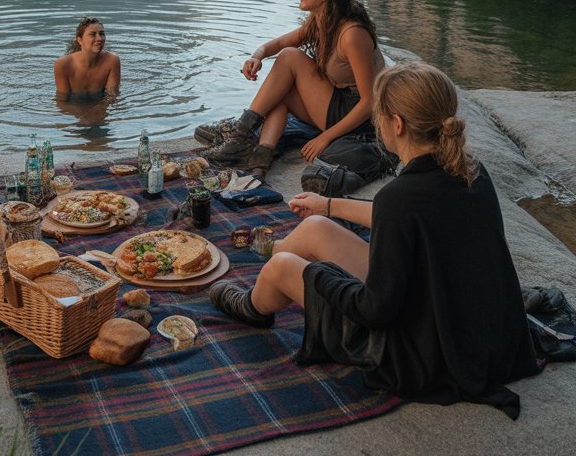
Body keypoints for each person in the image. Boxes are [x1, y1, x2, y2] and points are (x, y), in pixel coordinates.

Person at [210, 61, 541, 418]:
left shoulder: (401, 197)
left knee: (284, 267)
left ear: (396, 125)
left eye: (379, 115)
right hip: (459, 315)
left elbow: (375, 309)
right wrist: (330, 205)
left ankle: (254, 305)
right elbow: (407, 218)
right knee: (316, 228)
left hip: (423, 348)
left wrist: (321, 278)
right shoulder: (469, 171)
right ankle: (267, 270)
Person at [201, 0, 386, 179]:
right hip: (336, 105)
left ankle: (239, 139)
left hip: (357, 117)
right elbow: (276, 44)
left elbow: (370, 102)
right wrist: (256, 56)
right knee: (280, 90)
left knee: (290, 57)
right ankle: (261, 157)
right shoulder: (322, 21)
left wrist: (325, 138)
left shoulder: (352, 35)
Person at [53, 16, 121, 99]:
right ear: (79, 40)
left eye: (101, 34)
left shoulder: (112, 61)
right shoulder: (63, 64)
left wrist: (97, 111)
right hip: (74, 106)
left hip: (100, 105)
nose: (99, 38)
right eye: (92, 34)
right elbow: (62, 101)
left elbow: (112, 97)